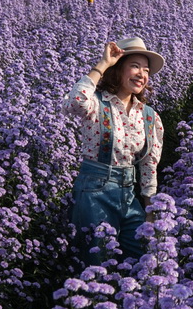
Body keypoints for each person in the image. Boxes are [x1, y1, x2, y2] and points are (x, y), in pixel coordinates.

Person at [66, 37, 165, 264]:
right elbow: (75, 101)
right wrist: (102, 64)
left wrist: (150, 211)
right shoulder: (96, 104)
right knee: (96, 262)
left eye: (146, 70)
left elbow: (149, 166)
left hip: (129, 195)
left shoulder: (149, 116)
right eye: (135, 66)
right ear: (117, 69)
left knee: (143, 257)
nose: (142, 74)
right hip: (94, 192)